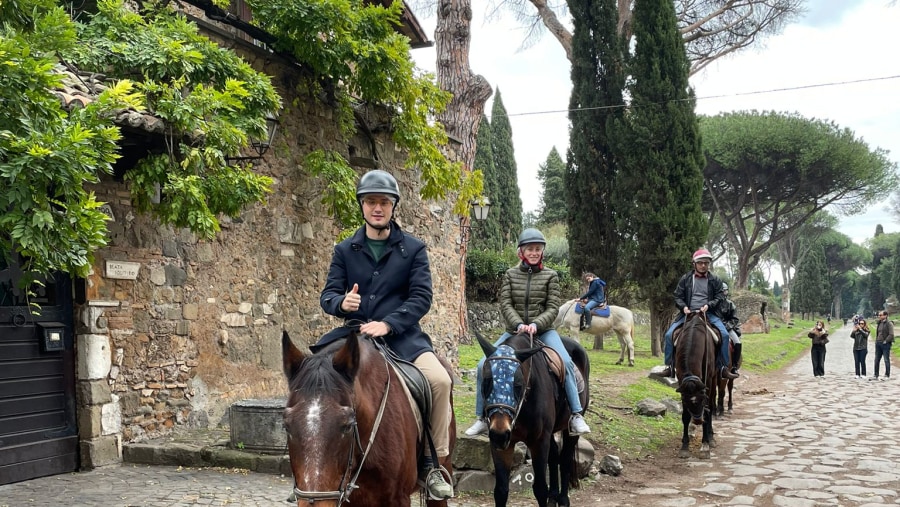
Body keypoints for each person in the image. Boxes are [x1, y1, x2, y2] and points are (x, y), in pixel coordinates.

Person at [318, 169, 454, 499]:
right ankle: (314, 462)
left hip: (402, 338)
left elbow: (421, 297)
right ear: (362, 206)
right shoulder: (344, 250)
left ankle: (434, 464)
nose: (377, 208)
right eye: (370, 202)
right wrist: (342, 302)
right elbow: (328, 296)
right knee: (309, 378)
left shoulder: (414, 249)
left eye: (383, 202)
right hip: (355, 335)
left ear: (393, 206)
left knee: (440, 380)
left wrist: (390, 323)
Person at [464, 228, 591, 437]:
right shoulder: (510, 275)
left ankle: (576, 414)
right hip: (514, 332)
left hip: (543, 332)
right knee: (481, 365)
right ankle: (480, 417)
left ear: (542, 252)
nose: (534, 252)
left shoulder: (551, 276)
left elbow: (552, 307)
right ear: (521, 252)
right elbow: (505, 303)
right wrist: (518, 324)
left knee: (567, 362)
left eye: (538, 249)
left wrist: (536, 324)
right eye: (530, 249)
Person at [660, 248, 737, 380]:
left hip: (709, 313)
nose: (703, 265)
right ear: (694, 264)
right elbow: (678, 296)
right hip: (687, 314)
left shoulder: (715, 280)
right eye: (700, 262)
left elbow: (719, 296)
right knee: (668, 335)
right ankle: (670, 366)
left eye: (706, 263)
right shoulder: (686, 279)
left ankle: (723, 367)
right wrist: (683, 307)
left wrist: (709, 305)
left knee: (724, 335)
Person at [717, 283, 742, 376]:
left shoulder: (730, 304)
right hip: (715, 327)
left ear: (727, 292)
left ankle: (734, 366)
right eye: (721, 291)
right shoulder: (713, 304)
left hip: (728, 328)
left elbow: (735, 319)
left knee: (737, 342)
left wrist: (726, 326)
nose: (723, 293)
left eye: (724, 291)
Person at [872, 310, 894, 381]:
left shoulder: (889, 323)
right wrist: (876, 341)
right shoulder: (879, 323)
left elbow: (891, 334)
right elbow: (878, 333)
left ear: (885, 315)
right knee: (876, 360)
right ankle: (876, 375)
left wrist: (886, 341)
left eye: (881, 315)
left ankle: (887, 375)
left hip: (885, 344)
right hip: (878, 343)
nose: (879, 316)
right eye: (879, 315)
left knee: (886, 360)